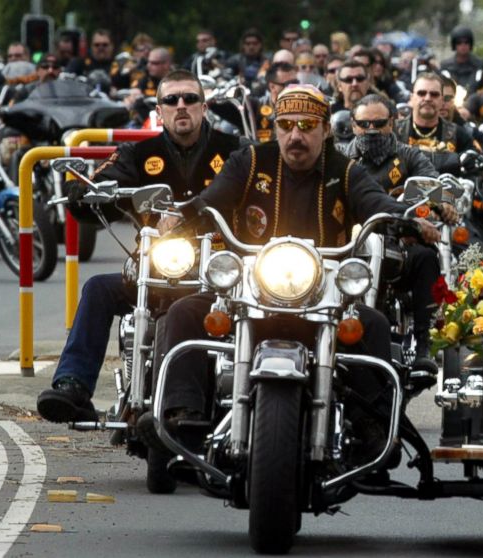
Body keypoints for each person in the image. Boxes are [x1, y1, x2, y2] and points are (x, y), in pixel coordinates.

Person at [148, 85, 438, 440]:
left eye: (306, 125)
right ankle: (182, 413)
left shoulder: (343, 170)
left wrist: (409, 218)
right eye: (286, 125)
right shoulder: (251, 161)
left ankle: (372, 426)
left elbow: (373, 200)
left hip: (324, 296)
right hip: (249, 290)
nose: (295, 136)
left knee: (373, 324)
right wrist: (179, 218)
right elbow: (212, 200)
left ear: (326, 129)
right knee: (182, 312)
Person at [35, 70, 245, 424]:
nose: (181, 106)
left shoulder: (236, 151)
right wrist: (82, 194)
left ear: (204, 107)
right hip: (157, 269)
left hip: (221, 275)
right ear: (159, 110)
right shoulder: (138, 153)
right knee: (98, 288)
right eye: (171, 100)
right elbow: (105, 183)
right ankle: (73, 385)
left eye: (190, 99)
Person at [341, 94, 449, 367]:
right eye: (364, 124)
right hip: (348, 245)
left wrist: (440, 204)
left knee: (426, 256)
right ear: (353, 125)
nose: (371, 130)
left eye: (378, 123)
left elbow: (433, 189)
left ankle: (425, 345)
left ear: (393, 122)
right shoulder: (341, 157)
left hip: (398, 242)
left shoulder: (410, 155)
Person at [395, 72, 480, 162]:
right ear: (412, 98)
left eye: (434, 94)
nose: (427, 98)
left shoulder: (459, 135)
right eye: (421, 93)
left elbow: (476, 163)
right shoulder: (393, 132)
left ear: (442, 100)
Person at [252, 62, 299, 143]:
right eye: (289, 84)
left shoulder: (303, 107)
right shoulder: (256, 107)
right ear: (272, 87)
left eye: (296, 83)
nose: (294, 88)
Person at [440, 26, 481, 91]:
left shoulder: (479, 65)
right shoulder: (445, 66)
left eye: (466, 42)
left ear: (470, 44)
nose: (463, 45)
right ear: (454, 45)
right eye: (459, 43)